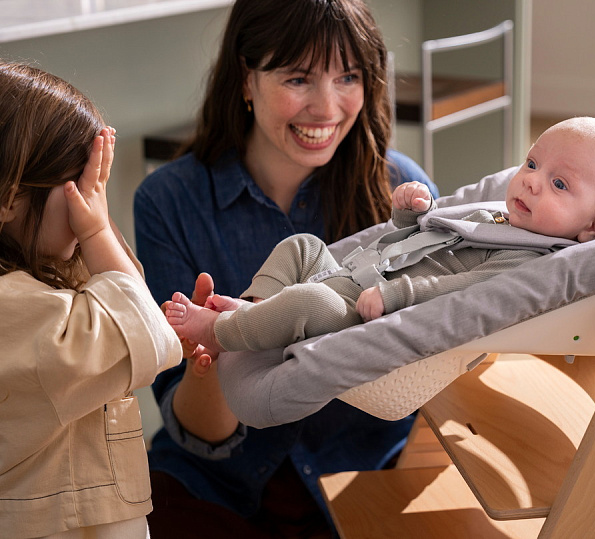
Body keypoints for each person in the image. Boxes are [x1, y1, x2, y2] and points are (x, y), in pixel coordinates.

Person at [132, 0, 438, 536]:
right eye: (298, 78)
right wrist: (213, 361)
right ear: (245, 79)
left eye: (348, 77)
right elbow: (198, 434)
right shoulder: (166, 201)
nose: (326, 108)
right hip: (214, 483)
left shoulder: (402, 193)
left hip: (365, 471)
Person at [163, 117, 595, 355]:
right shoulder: (498, 215)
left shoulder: (533, 259)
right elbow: (421, 240)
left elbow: (463, 289)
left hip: (360, 309)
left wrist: (397, 295)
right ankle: (252, 308)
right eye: (532, 164)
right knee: (302, 246)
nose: (530, 181)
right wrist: (410, 214)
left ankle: (221, 333)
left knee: (308, 304)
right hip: (351, 271)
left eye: (560, 184)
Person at [0, 62, 181, 538]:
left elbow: (123, 297)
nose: (92, 200)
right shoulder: (19, 311)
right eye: (83, 185)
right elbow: (145, 330)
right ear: (10, 199)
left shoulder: (35, 290)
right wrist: (97, 230)